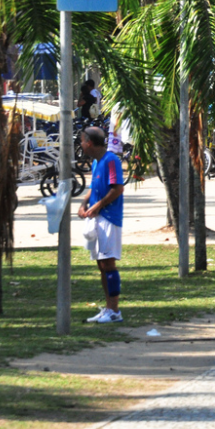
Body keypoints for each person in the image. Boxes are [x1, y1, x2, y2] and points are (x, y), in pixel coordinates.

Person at [77, 127, 125, 324]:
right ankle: (107, 308)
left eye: (81, 141)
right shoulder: (97, 162)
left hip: (109, 218)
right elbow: (92, 188)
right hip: (96, 218)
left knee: (108, 263)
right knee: (101, 264)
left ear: (89, 142)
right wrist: (83, 204)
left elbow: (118, 188)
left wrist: (98, 205)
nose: (80, 144)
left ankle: (114, 310)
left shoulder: (111, 160)